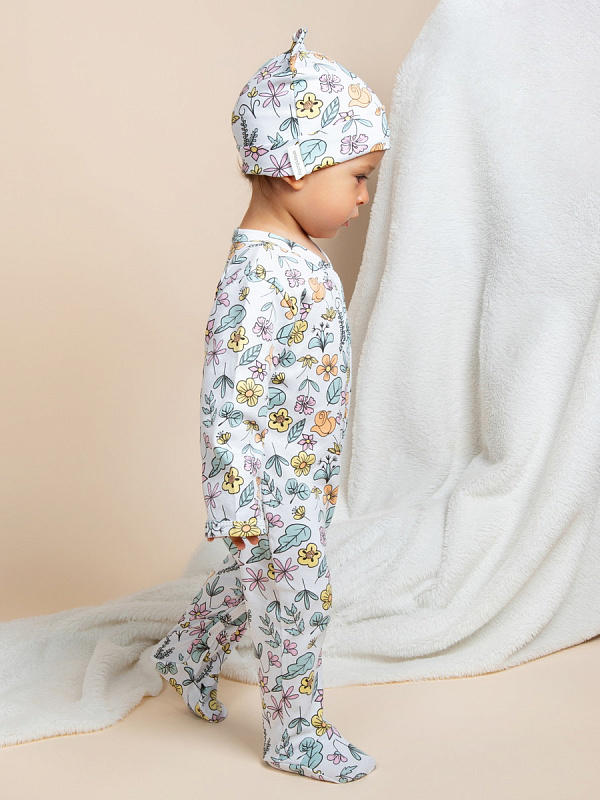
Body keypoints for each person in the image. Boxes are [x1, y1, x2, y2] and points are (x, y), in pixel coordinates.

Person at [151, 26, 390, 783]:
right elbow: (226, 395)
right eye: (357, 177)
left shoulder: (298, 252)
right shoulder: (257, 277)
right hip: (266, 481)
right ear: (293, 166)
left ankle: (188, 650)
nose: (364, 196)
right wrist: (234, 499)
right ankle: (295, 733)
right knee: (299, 596)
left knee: (255, 576)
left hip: (304, 469)